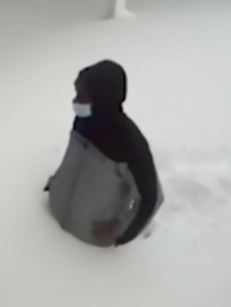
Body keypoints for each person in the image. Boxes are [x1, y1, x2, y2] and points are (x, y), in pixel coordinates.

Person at [45, 60, 163, 247]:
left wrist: (120, 230)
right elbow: (73, 160)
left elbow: (152, 198)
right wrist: (57, 183)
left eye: (82, 96)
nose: (75, 101)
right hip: (48, 226)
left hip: (88, 247)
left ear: (102, 100)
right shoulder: (83, 121)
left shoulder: (130, 145)